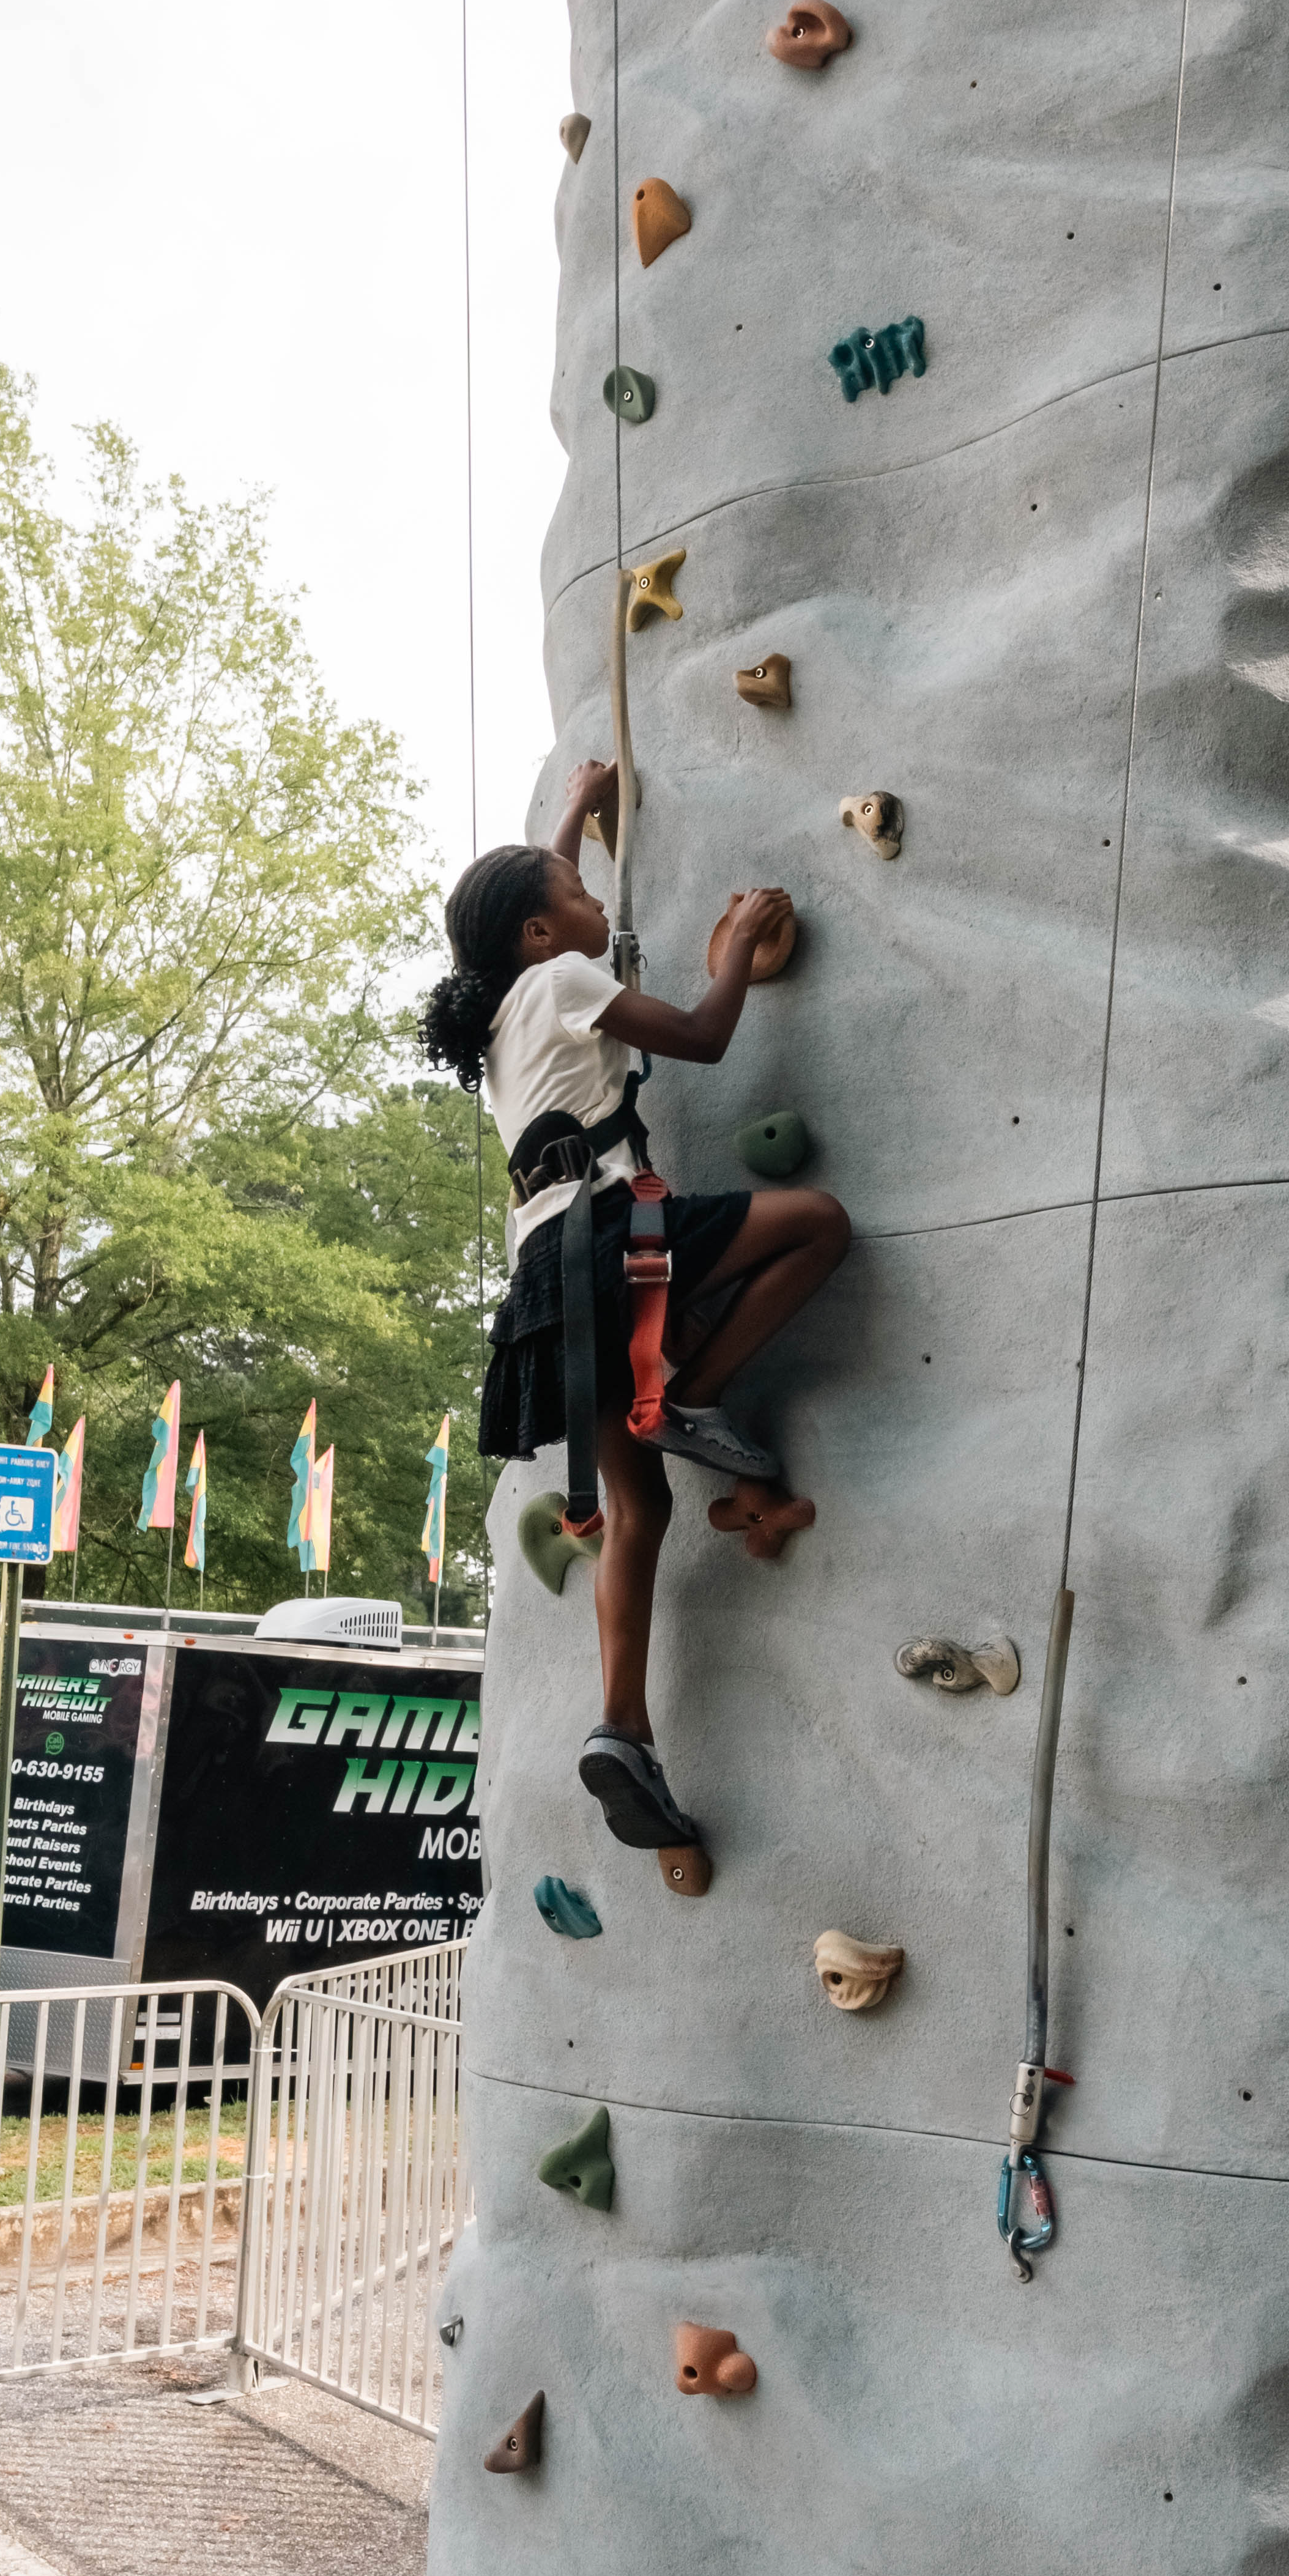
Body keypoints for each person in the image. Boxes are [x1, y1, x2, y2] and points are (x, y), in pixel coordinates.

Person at [420, 759, 850, 1879]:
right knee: (817, 1224)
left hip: (547, 1283)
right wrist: (733, 959)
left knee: (636, 1504)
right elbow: (702, 1037)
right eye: (575, 892)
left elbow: (544, 890)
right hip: (615, 1238)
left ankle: (625, 1724)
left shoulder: (513, 1011)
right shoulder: (560, 984)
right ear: (534, 933)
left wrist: (577, 809)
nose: (594, 902)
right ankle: (690, 1391)